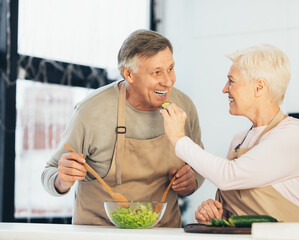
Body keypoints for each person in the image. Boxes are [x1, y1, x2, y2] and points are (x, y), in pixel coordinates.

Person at [41, 29, 204, 227]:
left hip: (164, 232)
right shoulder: (91, 112)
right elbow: (50, 172)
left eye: (170, 68)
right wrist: (62, 180)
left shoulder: (183, 106)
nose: (168, 81)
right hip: (99, 232)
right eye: (157, 72)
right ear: (128, 73)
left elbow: (199, 165)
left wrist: (191, 181)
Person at [160, 44, 299, 223]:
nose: (224, 89)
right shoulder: (240, 141)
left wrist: (178, 139)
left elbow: (228, 176)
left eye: (231, 81)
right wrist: (216, 214)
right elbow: (238, 210)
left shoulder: (295, 134)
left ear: (259, 87)